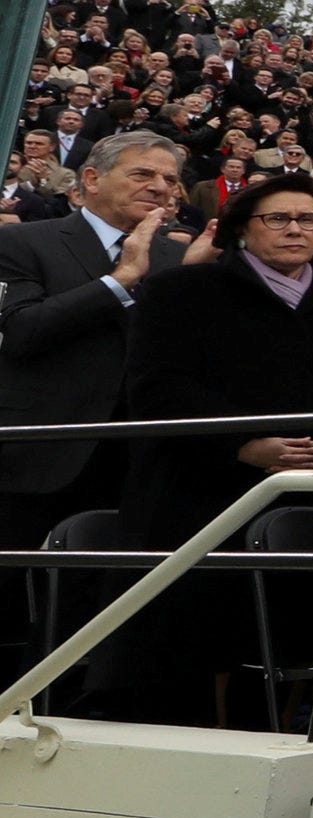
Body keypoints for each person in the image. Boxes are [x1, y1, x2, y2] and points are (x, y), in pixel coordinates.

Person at [115, 175, 313, 726]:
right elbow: (157, 389)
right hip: (201, 497)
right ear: (243, 228)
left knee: (296, 645)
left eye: (307, 219)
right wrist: (244, 446)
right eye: (278, 218)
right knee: (204, 644)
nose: (295, 229)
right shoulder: (181, 292)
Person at [0, 131, 208, 551]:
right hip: (38, 456)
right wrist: (120, 280)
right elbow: (21, 332)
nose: (160, 187)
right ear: (92, 179)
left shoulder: (176, 258)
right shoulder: (23, 240)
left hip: (138, 464)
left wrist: (196, 282)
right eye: (143, 174)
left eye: (170, 179)